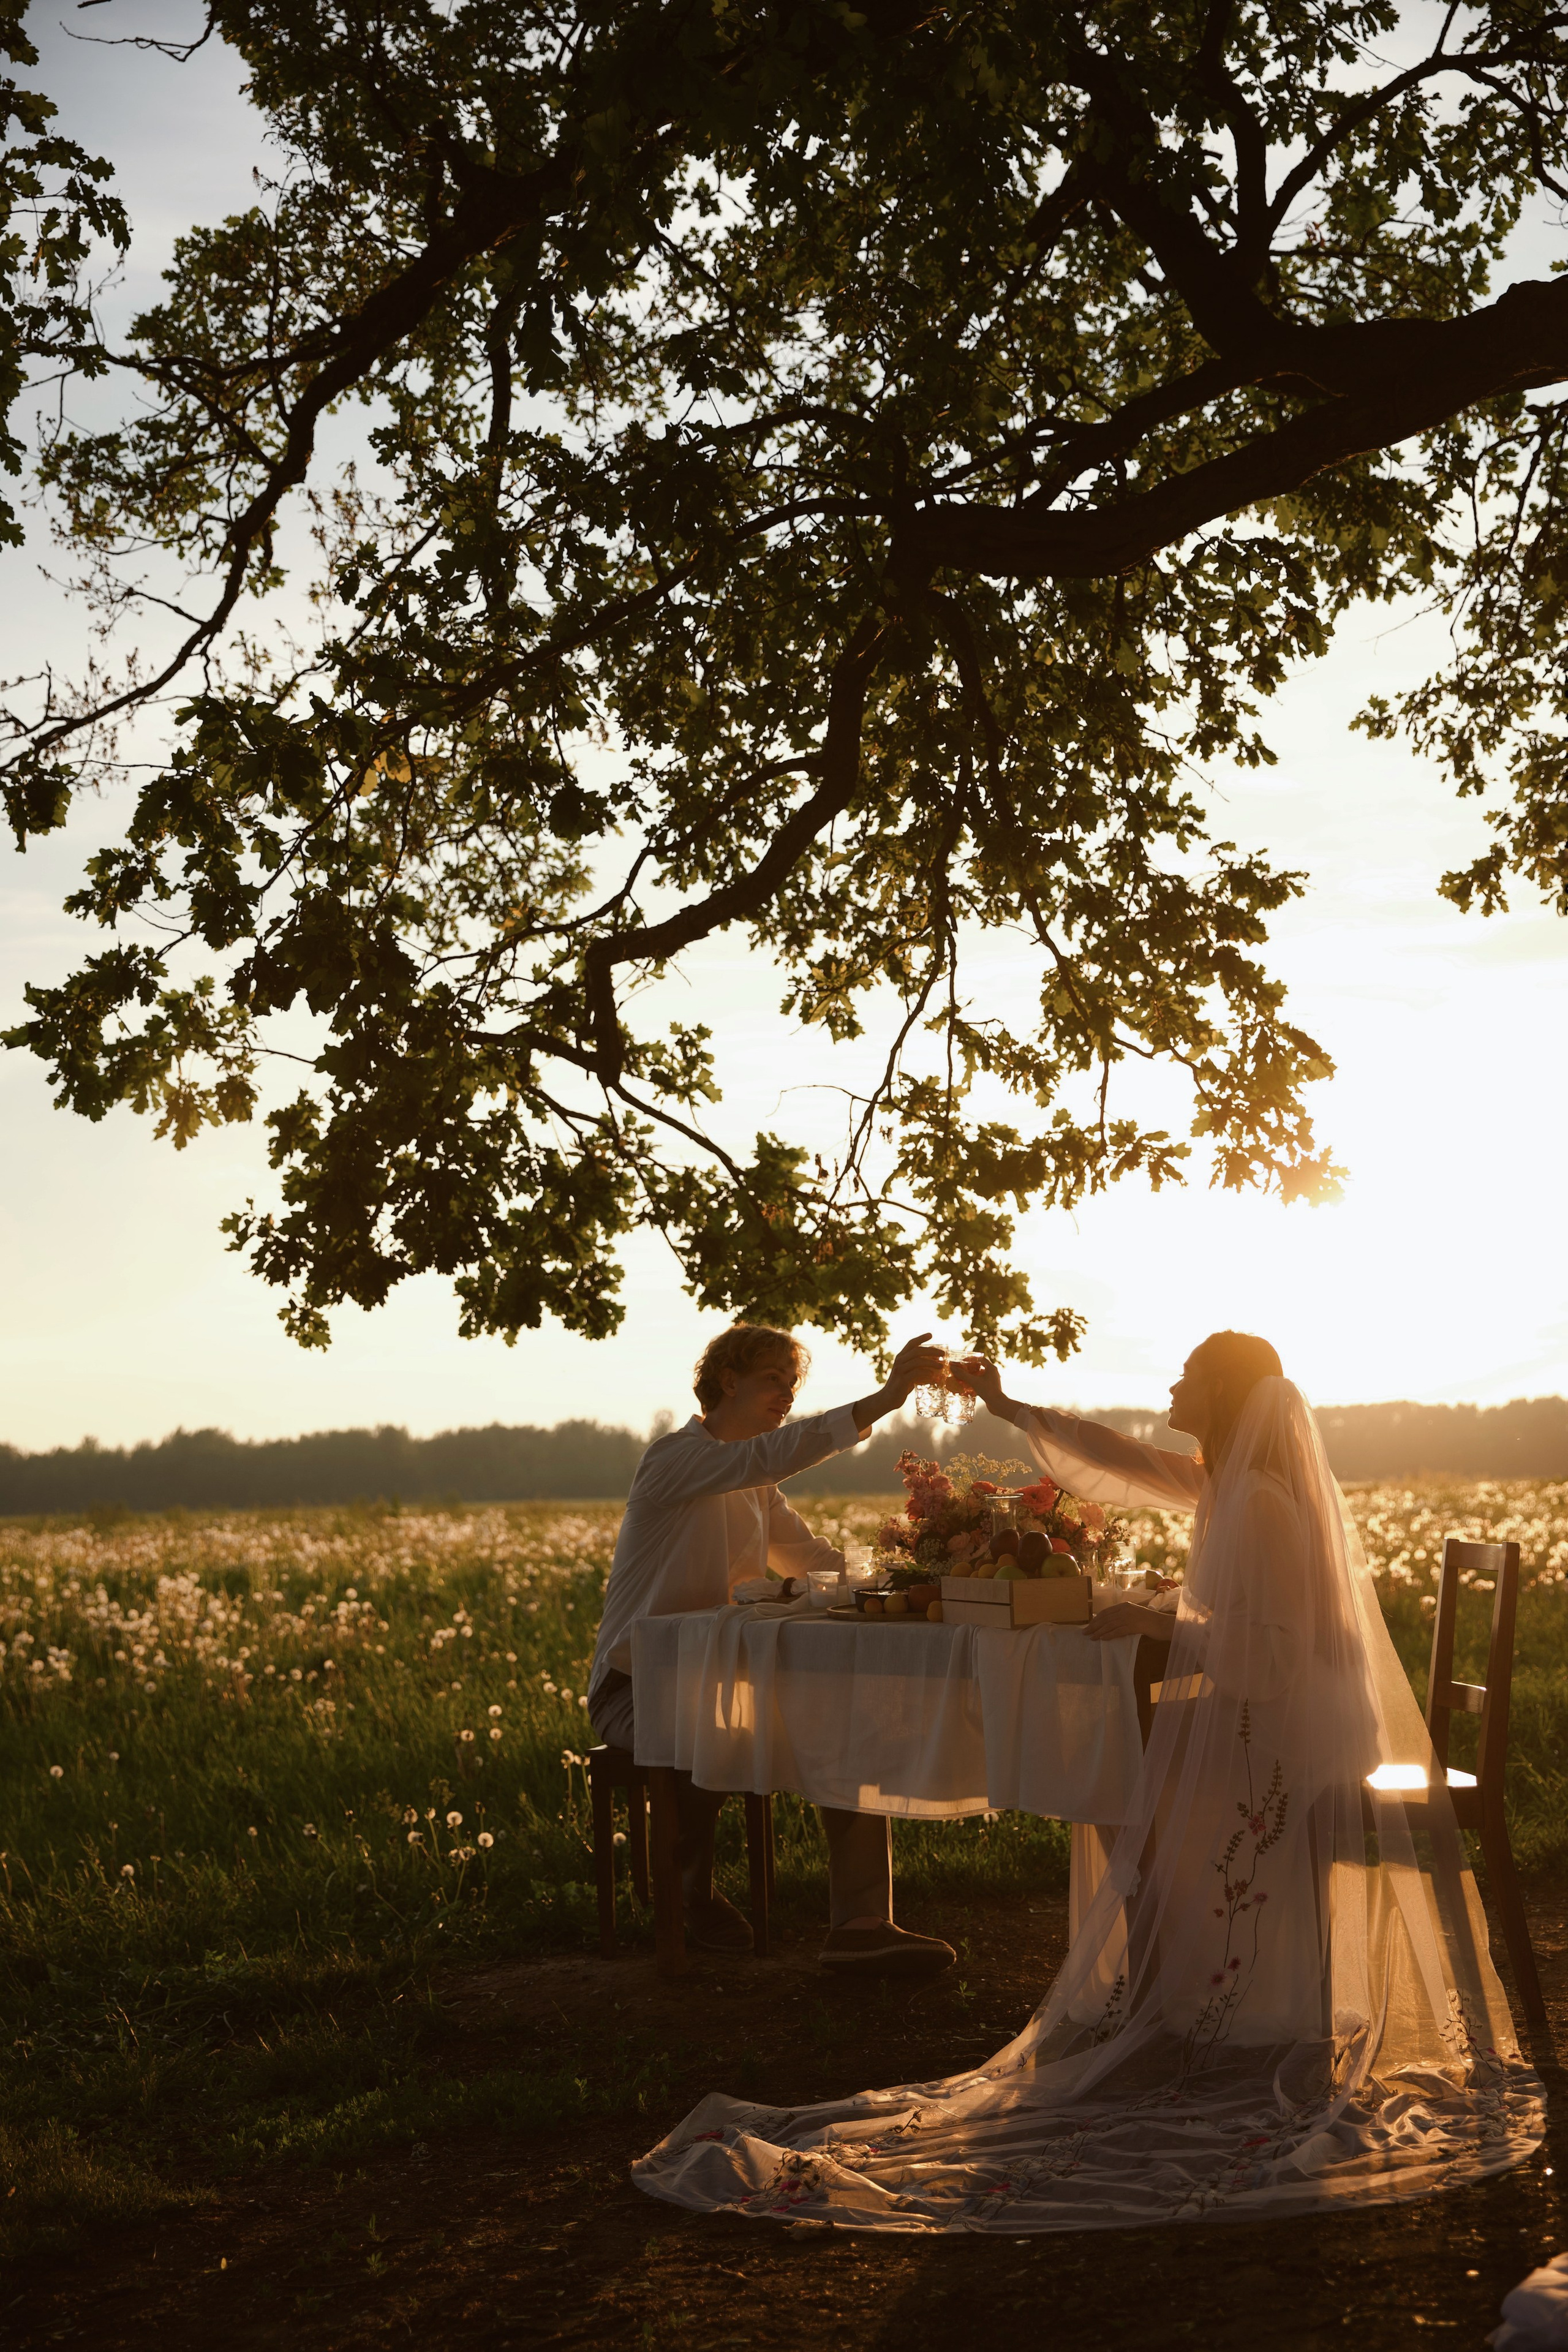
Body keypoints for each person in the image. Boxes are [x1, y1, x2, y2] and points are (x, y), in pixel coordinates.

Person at [632, 1333, 1544, 2231]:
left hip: (1296, 1728)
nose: (1175, 1384)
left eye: (1191, 1376)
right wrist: (1012, 1409)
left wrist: (1163, 1627)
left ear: (1225, 1398)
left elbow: (1269, 1655)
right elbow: (1118, 1462)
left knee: (1136, 1786)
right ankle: (1172, 1995)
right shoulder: (1228, 1480)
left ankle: (1181, 2000)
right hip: (1271, 1701)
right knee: (1128, 1778)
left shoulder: (1258, 1499)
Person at [588, 1321, 958, 1973]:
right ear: (727, 1381)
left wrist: (916, 1578)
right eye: (772, 1381)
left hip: (724, 1681)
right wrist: (885, 1397)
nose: (787, 1394)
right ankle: (688, 1897)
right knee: (701, 1729)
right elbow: (769, 1454)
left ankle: (861, 1925)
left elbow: (815, 1559)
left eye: (793, 1383)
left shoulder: (757, 1487)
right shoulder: (675, 1460)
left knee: (845, 1725)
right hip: (634, 1690)